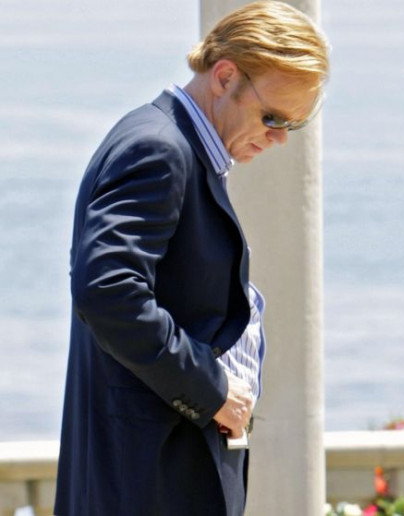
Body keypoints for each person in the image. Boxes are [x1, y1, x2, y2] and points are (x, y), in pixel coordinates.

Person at [54, 2, 329, 515]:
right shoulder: (159, 149)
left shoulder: (175, 146)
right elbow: (107, 291)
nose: (278, 139)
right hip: (148, 483)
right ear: (225, 77)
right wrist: (212, 388)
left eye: (294, 125)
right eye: (272, 117)